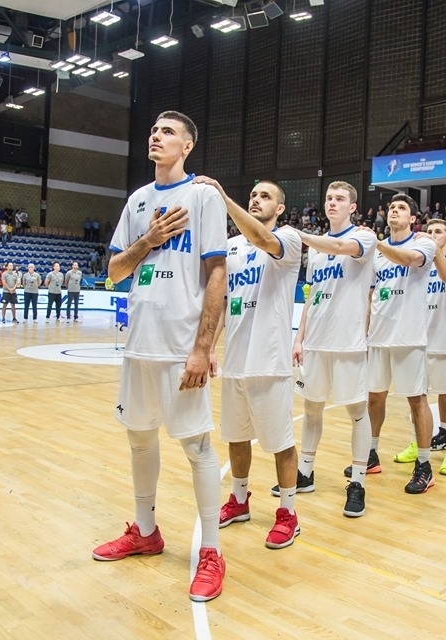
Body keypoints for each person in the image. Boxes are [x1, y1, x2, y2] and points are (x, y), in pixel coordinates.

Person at [94, 111, 228, 603]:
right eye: (154, 130)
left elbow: (217, 274)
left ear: (187, 146)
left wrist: (202, 347)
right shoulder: (137, 201)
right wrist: (148, 241)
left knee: (197, 447)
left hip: (180, 349)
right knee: (139, 441)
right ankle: (146, 531)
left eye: (168, 131)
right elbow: (113, 271)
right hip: (140, 346)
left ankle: (211, 550)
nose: (157, 136)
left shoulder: (203, 196)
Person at [194, 176, 303, 548]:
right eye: (253, 194)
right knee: (236, 438)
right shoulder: (230, 247)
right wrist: (209, 346)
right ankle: (239, 501)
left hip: (270, 362)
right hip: (236, 361)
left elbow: (260, 238)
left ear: (281, 207)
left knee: (280, 443)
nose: (257, 199)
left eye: (265, 196)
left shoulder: (289, 238)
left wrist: (224, 197)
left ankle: (288, 512)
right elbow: (223, 302)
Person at [288, 181, 377, 516]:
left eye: (340, 199)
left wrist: (301, 235)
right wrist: (299, 338)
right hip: (316, 343)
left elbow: (342, 247)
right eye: (328, 198)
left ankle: (357, 483)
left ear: (353, 207)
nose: (333, 203)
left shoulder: (364, 237)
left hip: (348, 343)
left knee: (356, 412)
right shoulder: (317, 250)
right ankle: (306, 472)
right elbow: (312, 296)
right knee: (311, 410)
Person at [354, 194, 438, 492]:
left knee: (417, 400)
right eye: (391, 207)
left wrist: (376, 243)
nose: (394, 211)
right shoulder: (377, 254)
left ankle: (425, 465)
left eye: (401, 208)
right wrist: (363, 335)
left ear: (412, 218)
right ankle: (372, 453)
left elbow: (409, 260)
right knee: (374, 398)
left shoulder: (423, 243)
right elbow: (370, 295)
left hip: (409, 336)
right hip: (379, 337)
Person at [402, 219, 446, 477]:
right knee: (416, 398)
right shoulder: (418, 262)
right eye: (428, 232)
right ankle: (419, 445)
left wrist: (434, 249)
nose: (431, 235)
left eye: (438, 232)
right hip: (416, 338)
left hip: (444, 340)